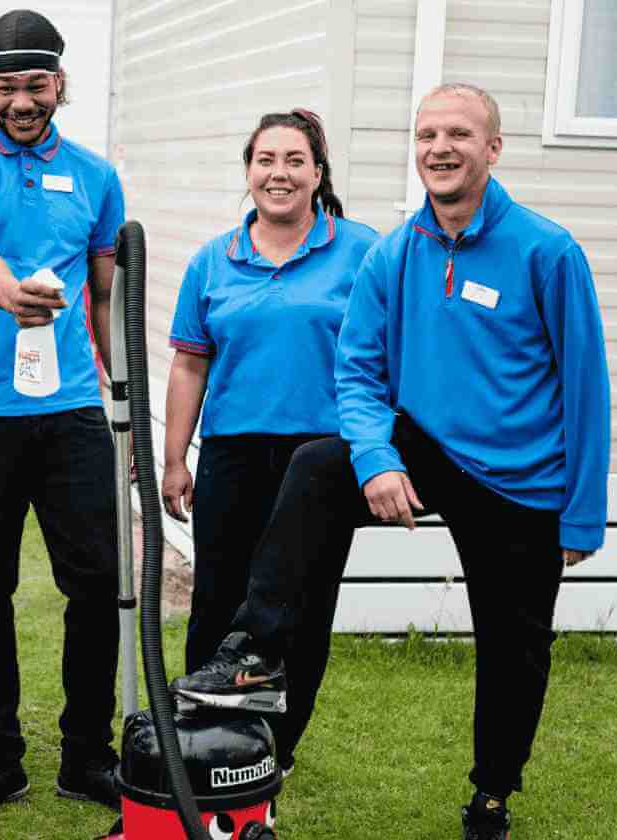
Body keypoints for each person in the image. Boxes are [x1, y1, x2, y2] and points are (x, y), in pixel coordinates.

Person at [171, 83, 611, 840]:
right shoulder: (397, 252)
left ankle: (492, 797)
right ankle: (255, 647)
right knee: (319, 465)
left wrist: (582, 511)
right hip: (427, 448)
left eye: (459, 135)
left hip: (519, 480)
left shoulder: (547, 251)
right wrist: (375, 460)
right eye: (427, 133)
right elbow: (359, 367)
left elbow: (586, 385)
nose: (440, 148)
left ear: (493, 148)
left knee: (515, 652)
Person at [0, 8, 127, 820]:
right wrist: (16, 297)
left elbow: (105, 291)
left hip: (71, 406)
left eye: (35, 84)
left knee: (97, 583)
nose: (22, 100)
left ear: (59, 83)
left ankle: (87, 754)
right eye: (7, 86)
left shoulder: (96, 175)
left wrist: (119, 391)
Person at [159, 109, 377, 775]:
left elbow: (387, 359)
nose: (278, 173)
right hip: (233, 454)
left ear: (318, 172)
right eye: (265, 160)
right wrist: (174, 457)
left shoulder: (364, 251)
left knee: (304, 613)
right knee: (217, 604)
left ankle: (274, 755)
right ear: (249, 172)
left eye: (293, 160)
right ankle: (201, 743)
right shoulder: (214, 260)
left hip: (322, 460)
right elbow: (190, 363)